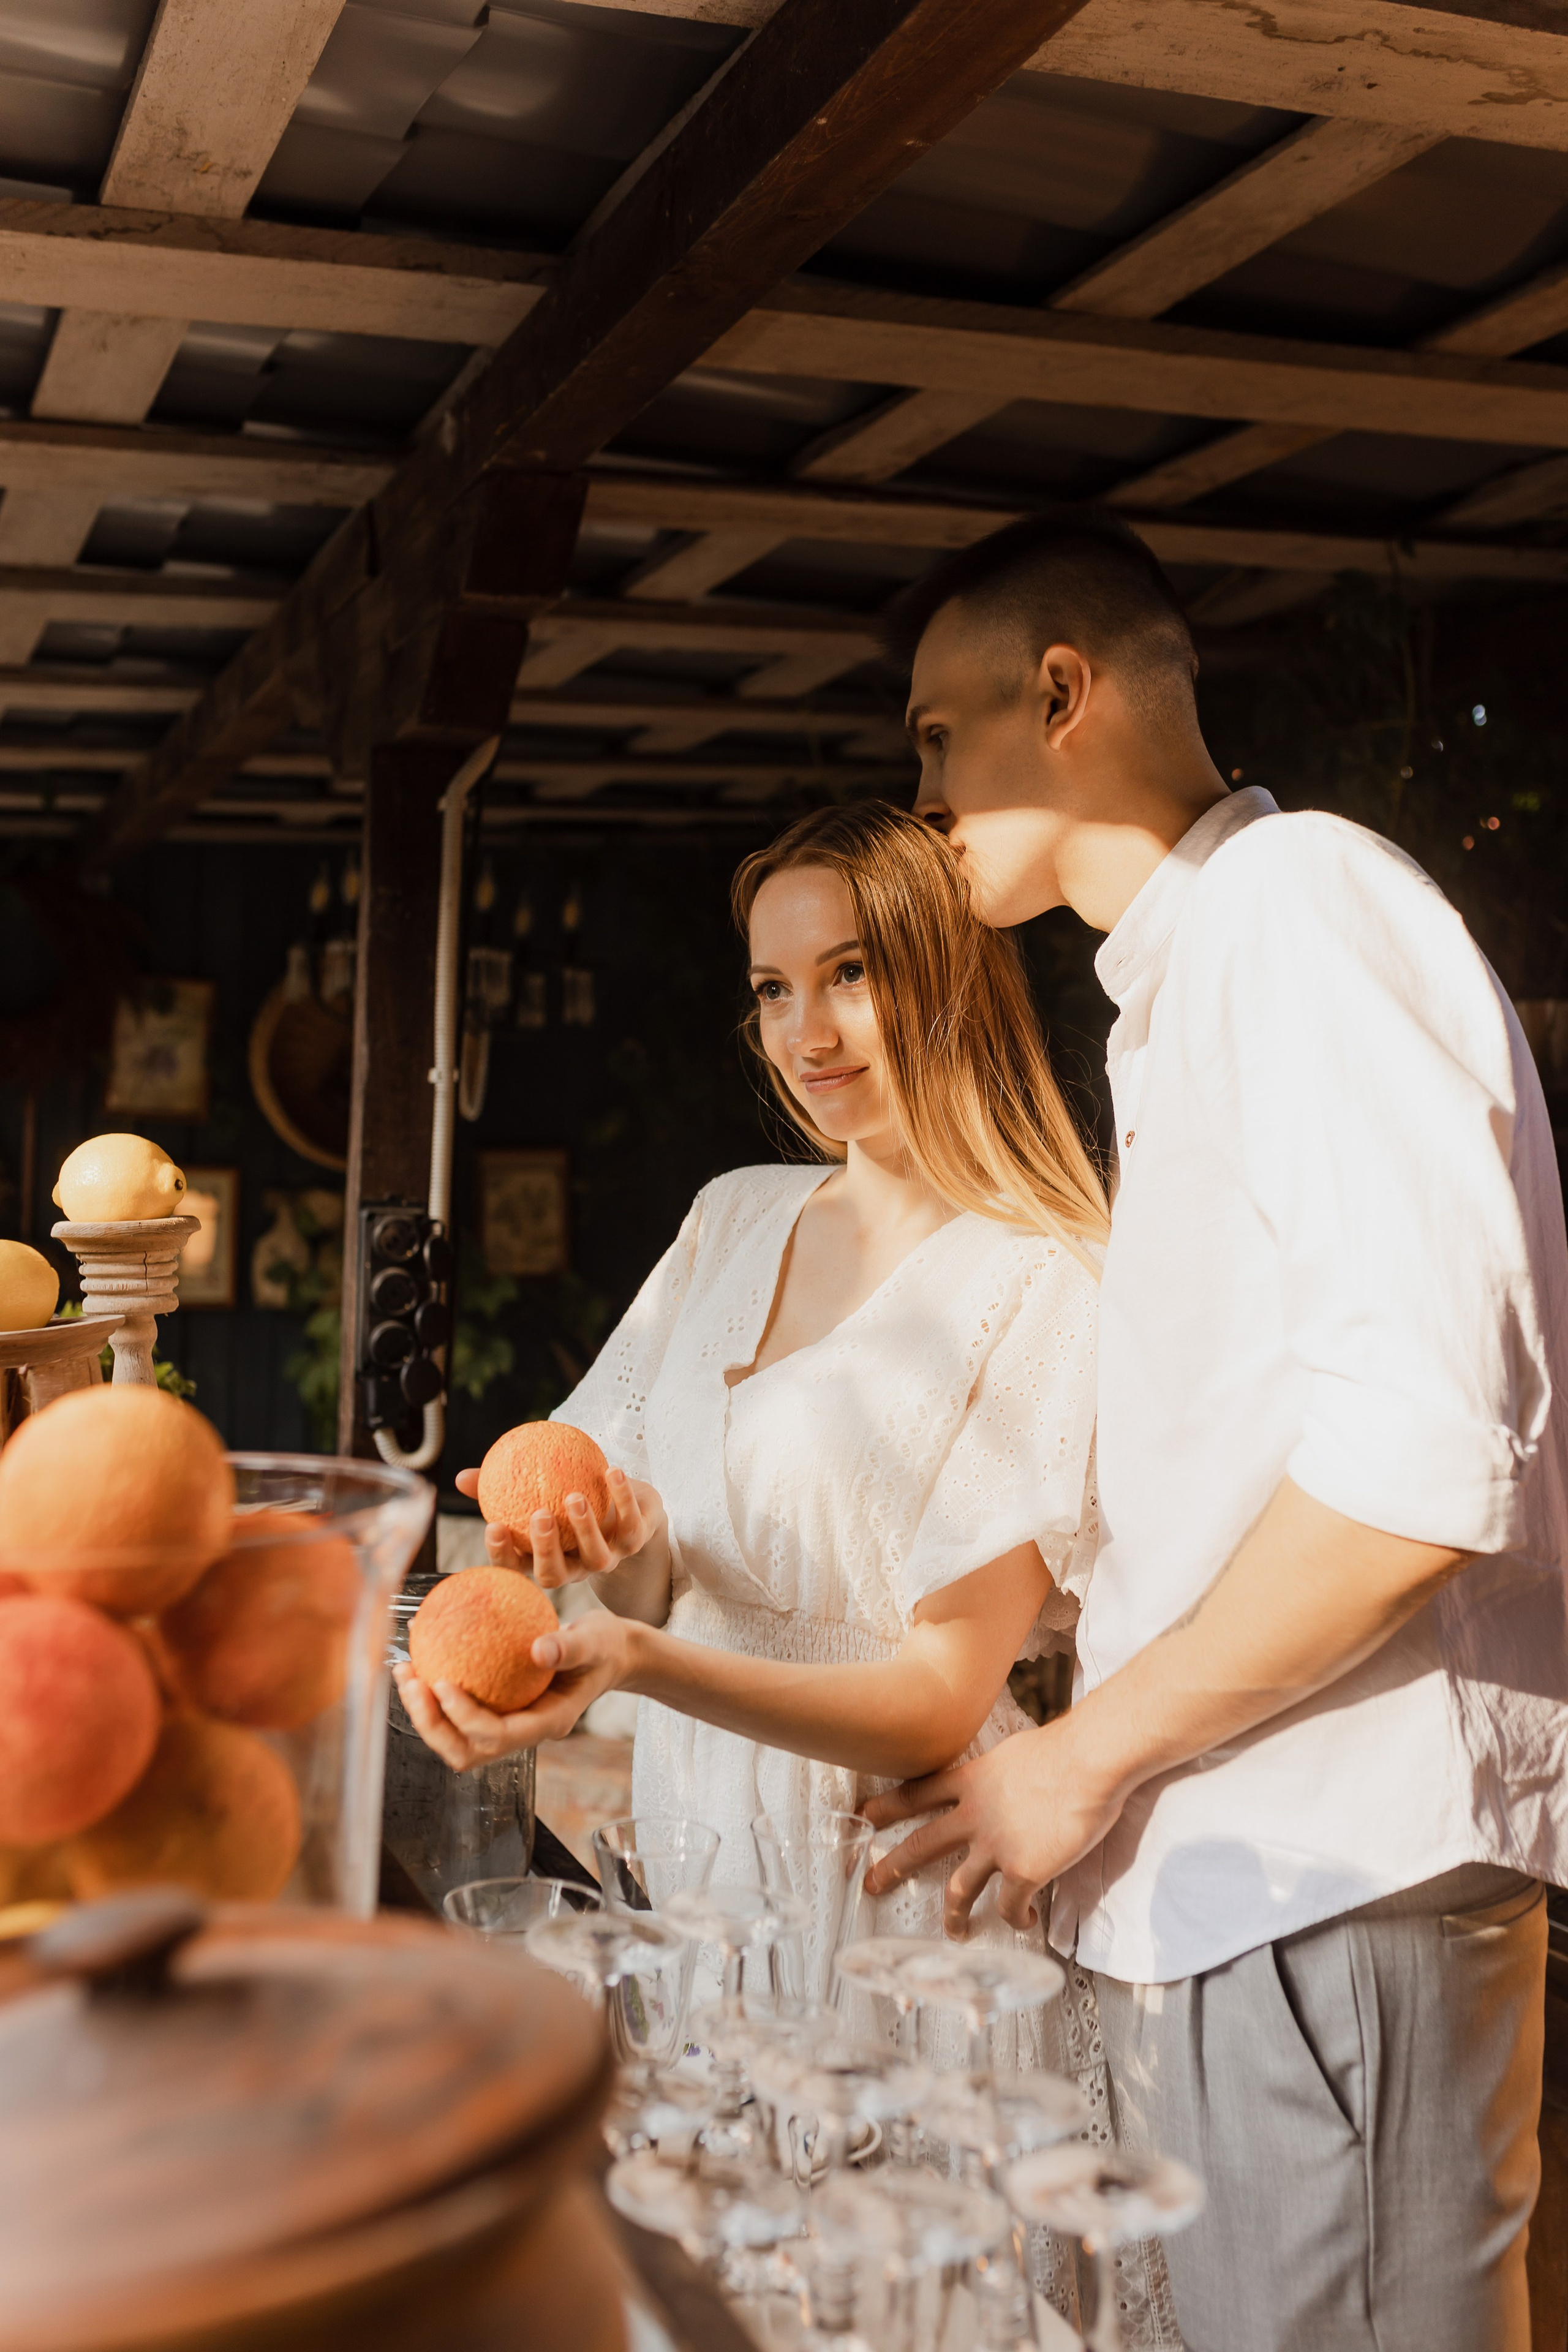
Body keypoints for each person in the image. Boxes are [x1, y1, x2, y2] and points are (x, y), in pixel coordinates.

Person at [862, 508, 1568, 2351]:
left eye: (940, 734)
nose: (921, 789)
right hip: (1257, 1899)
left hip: (1340, 1884)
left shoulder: (1297, 908)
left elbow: (1421, 1469)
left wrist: (1073, 1765)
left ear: (1063, 692)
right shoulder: (1189, 981)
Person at [396, 801, 1110, 2047]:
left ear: (946, 980)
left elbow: (941, 1698)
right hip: (702, 1843)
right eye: (773, 990)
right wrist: (618, 1545)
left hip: (894, 1875)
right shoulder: (729, 1218)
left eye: (848, 975)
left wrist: (640, 1663)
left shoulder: (1043, 1276)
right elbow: (659, 1590)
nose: (805, 1034)